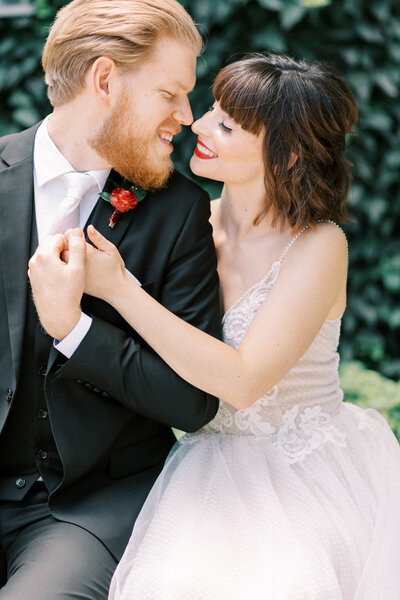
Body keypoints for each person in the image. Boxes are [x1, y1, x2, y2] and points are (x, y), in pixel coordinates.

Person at [59, 54, 400, 598]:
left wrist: (123, 290)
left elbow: (243, 382)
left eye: (228, 124)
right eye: (213, 110)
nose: (197, 124)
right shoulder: (186, 220)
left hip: (297, 470)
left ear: (287, 154)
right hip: (202, 460)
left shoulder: (318, 244)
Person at [0, 0, 222, 598]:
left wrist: (74, 331)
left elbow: (195, 400)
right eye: (171, 93)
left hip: (88, 507)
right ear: (105, 80)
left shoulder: (179, 212)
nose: (187, 115)